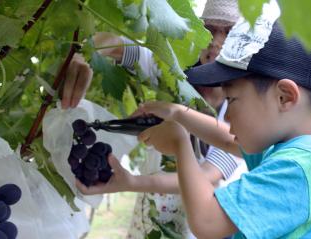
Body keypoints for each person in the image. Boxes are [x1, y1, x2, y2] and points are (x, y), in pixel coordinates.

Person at [106, 1, 311, 238]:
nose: (228, 115)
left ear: (284, 97)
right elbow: (229, 141)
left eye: (232, 99)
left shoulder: (297, 168)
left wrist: (180, 143)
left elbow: (207, 223)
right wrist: (178, 113)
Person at [67, 0, 244, 237]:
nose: (217, 41)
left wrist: (132, 182)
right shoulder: (175, 74)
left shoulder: (242, 108)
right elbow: (118, 45)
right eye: (210, 30)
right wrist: (83, 55)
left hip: (196, 223)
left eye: (229, 32)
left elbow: (206, 175)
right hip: (149, 212)